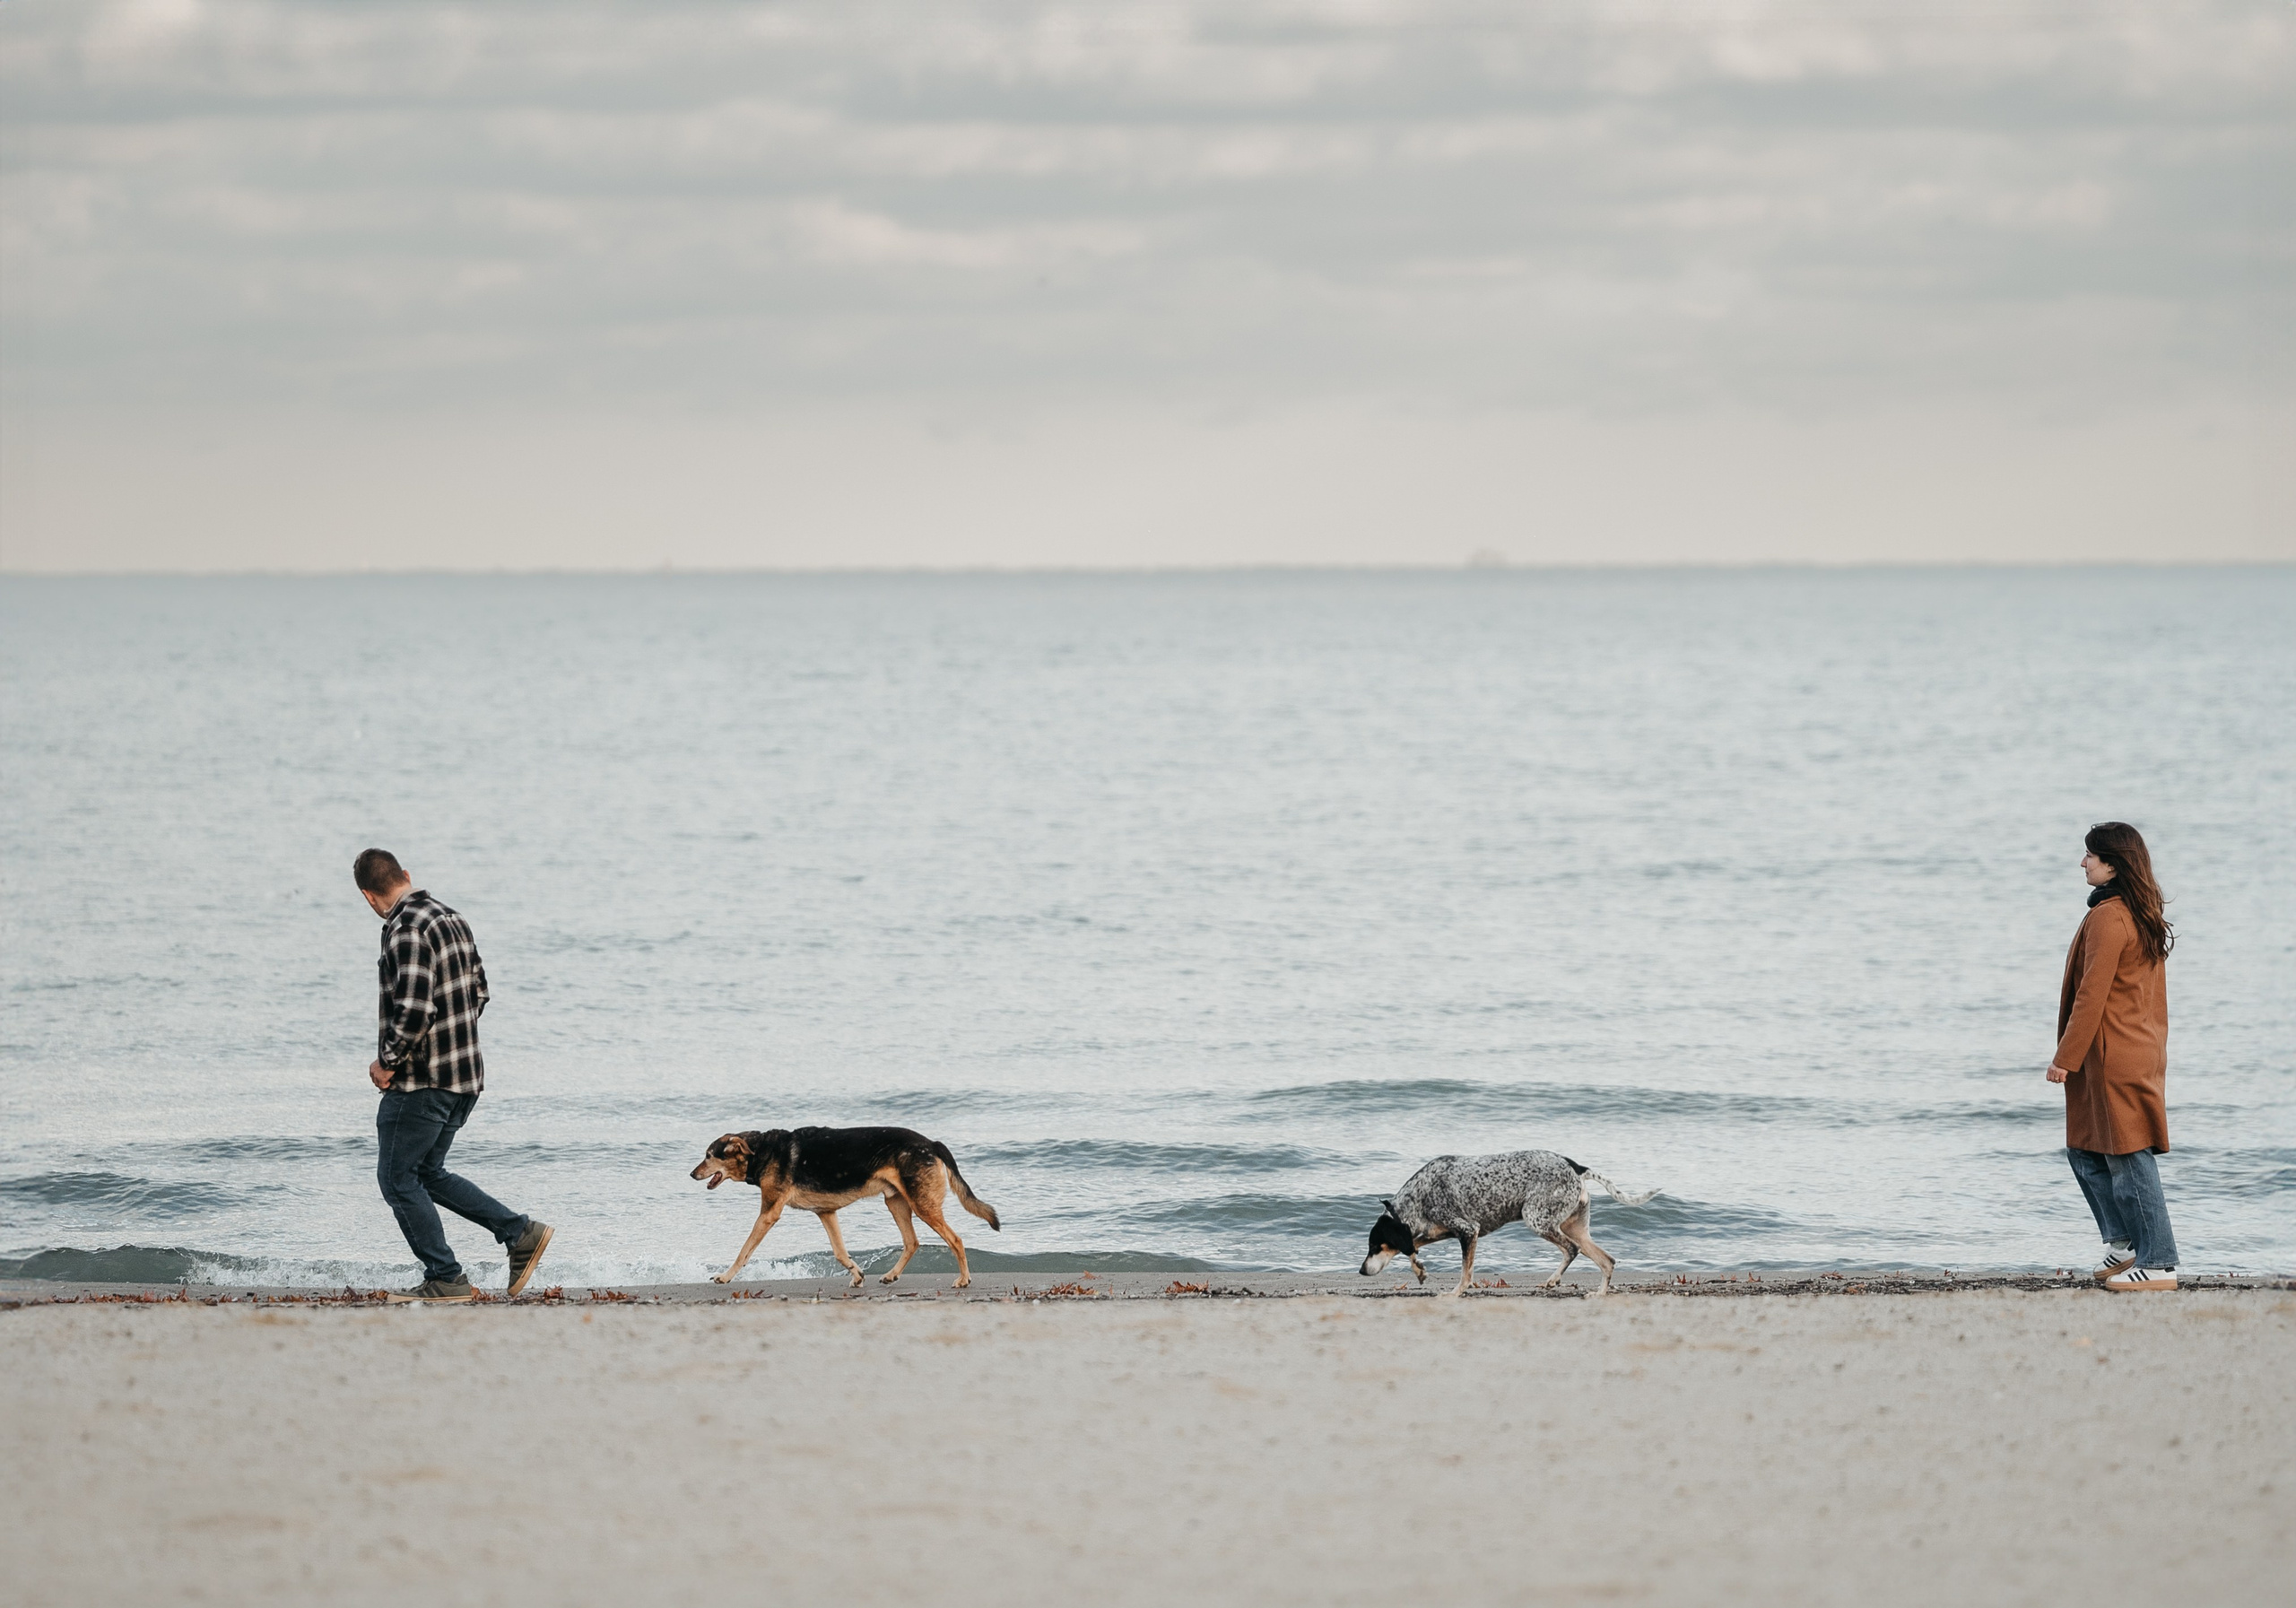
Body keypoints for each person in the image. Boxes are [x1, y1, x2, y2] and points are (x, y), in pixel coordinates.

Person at [355, 848, 552, 1303]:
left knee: (397, 1179)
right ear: (405, 874)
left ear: (368, 897)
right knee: (427, 1171)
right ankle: (520, 1233)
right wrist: (453, 1040)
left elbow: (415, 1010)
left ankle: (445, 1277)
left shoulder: (404, 928)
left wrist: (387, 1062)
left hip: (423, 1082)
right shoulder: (452, 919)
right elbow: (479, 992)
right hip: (465, 1078)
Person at [2048, 821, 2177, 1292]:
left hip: (2113, 1054)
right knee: (2083, 1148)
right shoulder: (2136, 912)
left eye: (2090, 856)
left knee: (2129, 1158)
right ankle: (2124, 1245)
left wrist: (2066, 1057)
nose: (2082, 863)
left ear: (2113, 863)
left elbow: (2091, 995)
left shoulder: (2110, 916)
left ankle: (2159, 1262)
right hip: (2127, 1050)